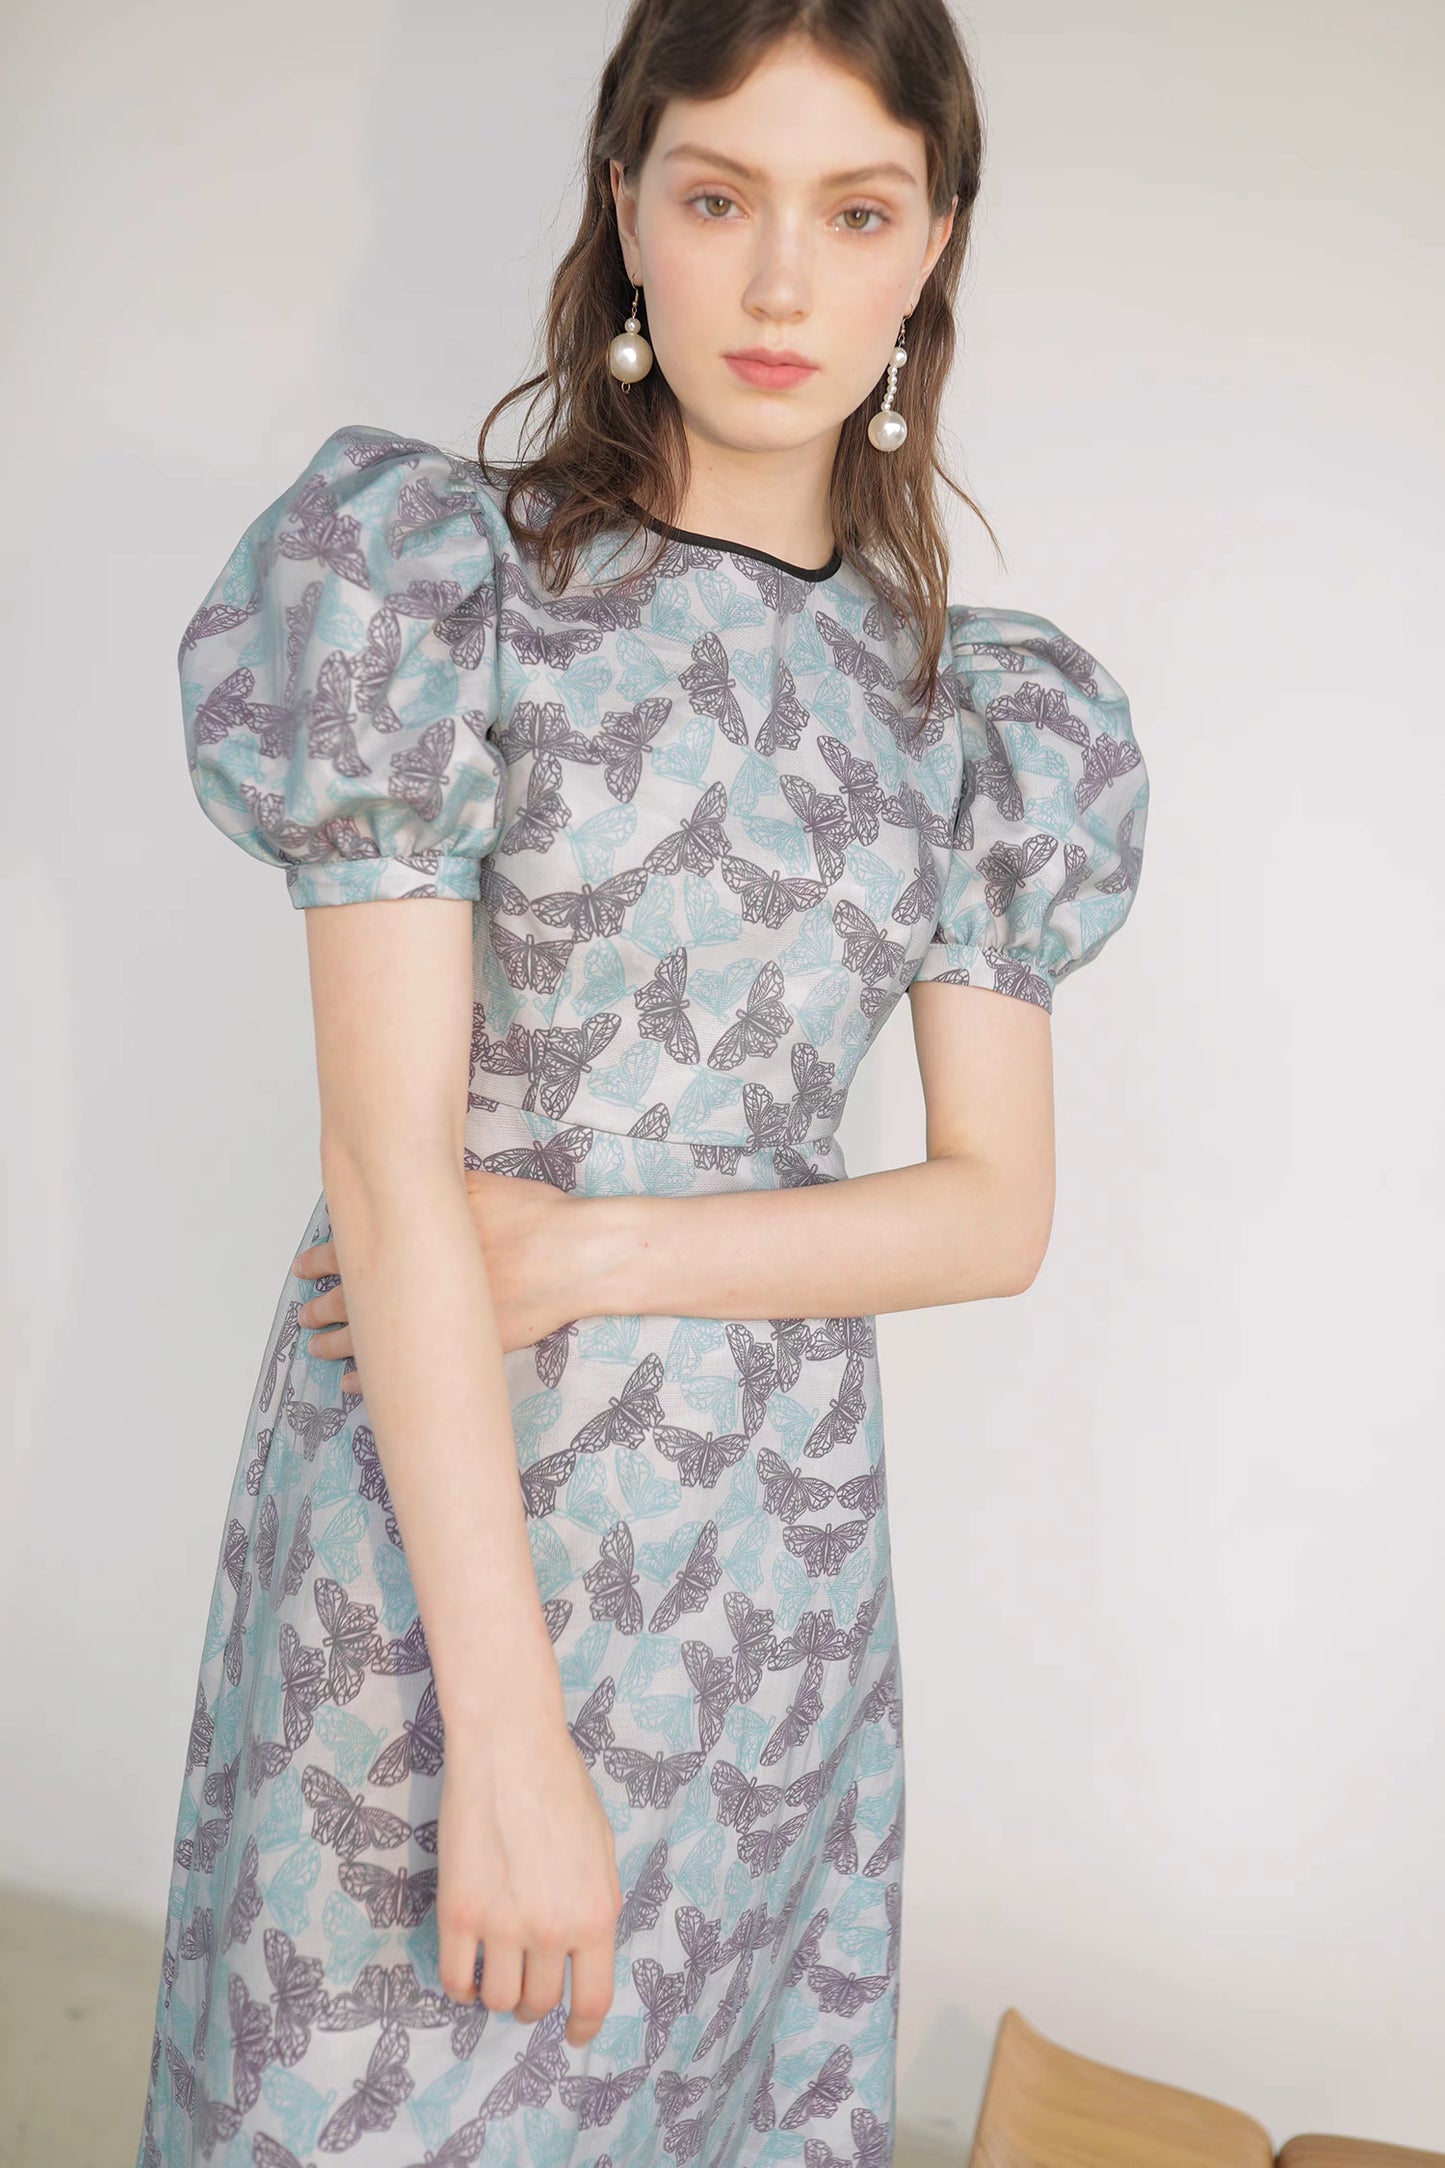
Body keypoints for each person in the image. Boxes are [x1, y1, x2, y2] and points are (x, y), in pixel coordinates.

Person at [136, 2, 1150, 2162]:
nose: (779, 281)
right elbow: (390, 1175)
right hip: (431, 1537)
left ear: (931, 248)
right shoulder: (438, 587)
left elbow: (991, 1210)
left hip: (759, 1566)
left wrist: (592, 1246)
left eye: (853, 213)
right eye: (717, 197)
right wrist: (508, 1745)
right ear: (625, 207)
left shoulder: (980, 718)